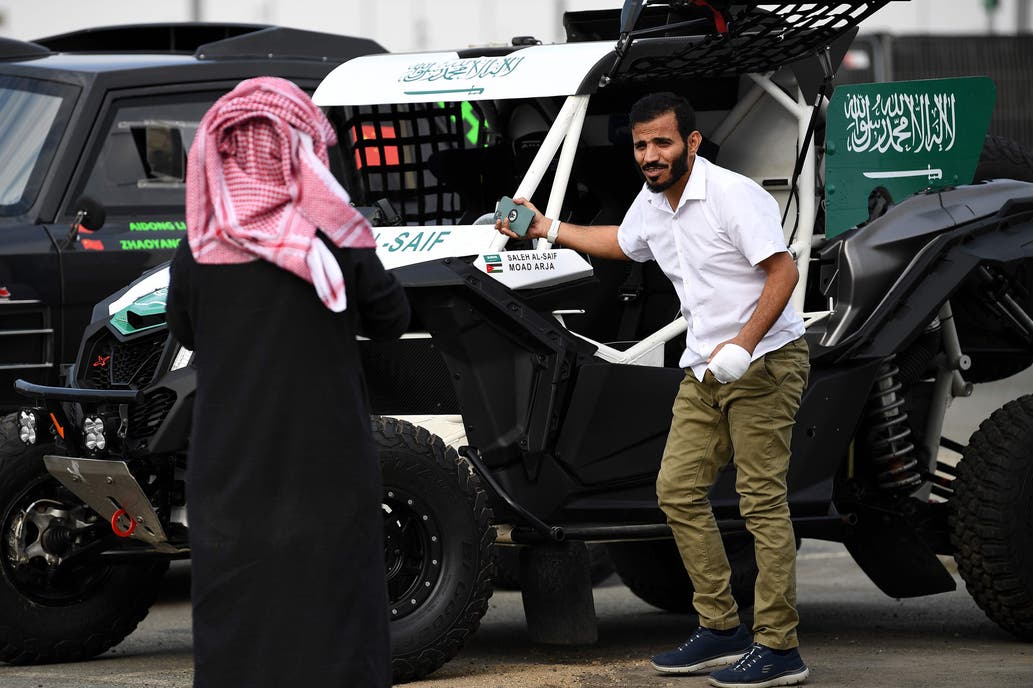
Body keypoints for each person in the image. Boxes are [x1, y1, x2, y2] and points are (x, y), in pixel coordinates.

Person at [496, 92, 810, 688]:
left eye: (662, 142)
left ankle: (779, 647)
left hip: (765, 362)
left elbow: (784, 271)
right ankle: (721, 628)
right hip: (704, 369)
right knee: (676, 491)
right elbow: (625, 242)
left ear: (691, 142)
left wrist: (743, 345)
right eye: (641, 145)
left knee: (761, 503)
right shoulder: (652, 200)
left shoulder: (732, 195)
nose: (650, 155)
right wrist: (548, 228)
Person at [166, 77, 409, 688]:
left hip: (230, 469)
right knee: (334, 619)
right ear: (303, 147)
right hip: (326, 467)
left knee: (240, 620)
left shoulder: (199, 248)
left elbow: (186, 329)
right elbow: (391, 318)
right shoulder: (337, 232)